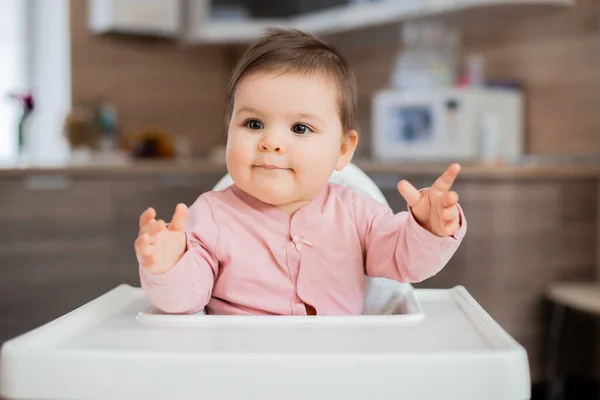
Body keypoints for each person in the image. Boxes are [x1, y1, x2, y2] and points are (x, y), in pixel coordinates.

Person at [134, 29, 467, 316]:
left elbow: (405, 260)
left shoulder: (357, 213)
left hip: (335, 367)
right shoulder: (211, 217)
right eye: (253, 124)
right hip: (242, 367)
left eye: (300, 128)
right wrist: (168, 268)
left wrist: (428, 229)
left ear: (343, 149)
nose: (271, 142)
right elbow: (185, 300)